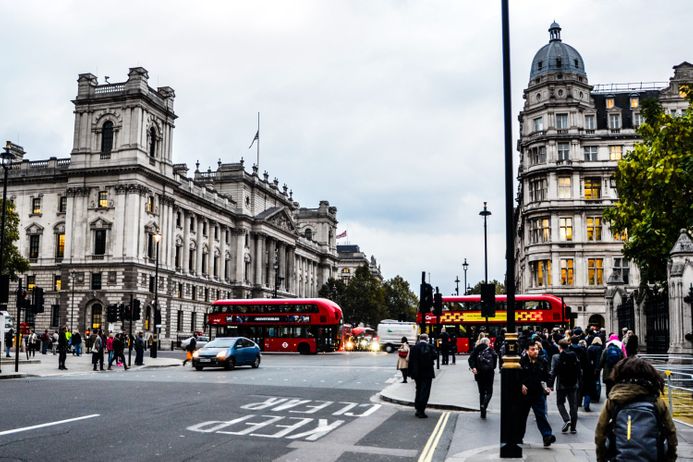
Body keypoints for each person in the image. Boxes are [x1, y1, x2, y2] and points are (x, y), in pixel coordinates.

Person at [594, 357, 677, 461]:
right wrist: (671, 457)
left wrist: (601, 457)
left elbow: (600, 432)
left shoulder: (614, 400)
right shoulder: (656, 402)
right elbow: (671, 431)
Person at [519, 341, 555, 447]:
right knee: (522, 417)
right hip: (525, 395)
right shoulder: (521, 362)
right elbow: (515, 376)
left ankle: (547, 436)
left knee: (541, 415)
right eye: (532, 349)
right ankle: (519, 437)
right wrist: (520, 385)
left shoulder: (542, 361)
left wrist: (548, 386)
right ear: (526, 351)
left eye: (536, 349)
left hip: (538, 393)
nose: (535, 351)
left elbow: (548, 375)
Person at [549, 339, 580, 433]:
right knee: (573, 405)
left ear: (559, 347)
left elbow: (553, 371)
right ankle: (573, 428)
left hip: (561, 384)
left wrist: (550, 385)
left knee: (560, 403)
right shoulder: (574, 355)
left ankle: (567, 419)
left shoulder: (556, 357)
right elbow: (578, 369)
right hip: (573, 384)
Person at [408, 333, 436, 418]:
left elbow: (410, 361)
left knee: (418, 389)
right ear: (427, 339)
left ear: (420, 339)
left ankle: (417, 408)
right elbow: (435, 356)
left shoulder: (414, 348)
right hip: (427, 373)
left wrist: (410, 373)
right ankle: (421, 410)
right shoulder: (430, 347)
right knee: (425, 391)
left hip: (417, 373)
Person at [468, 336, 497, 418]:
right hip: (489, 374)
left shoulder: (476, 350)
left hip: (479, 373)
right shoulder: (491, 350)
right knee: (489, 392)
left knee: (481, 392)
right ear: (487, 343)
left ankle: (482, 413)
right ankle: (484, 404)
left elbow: (470, 359)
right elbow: (494, 365)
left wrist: (473, 367)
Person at [585, 336, 604, 408]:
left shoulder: (589, 347)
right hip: (596, 367)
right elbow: (598, 359)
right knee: (597, 382)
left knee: (591, 382)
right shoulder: (599, 348)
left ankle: (592, 396)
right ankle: (596, 396)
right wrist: (598, 368)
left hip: (590, 367)